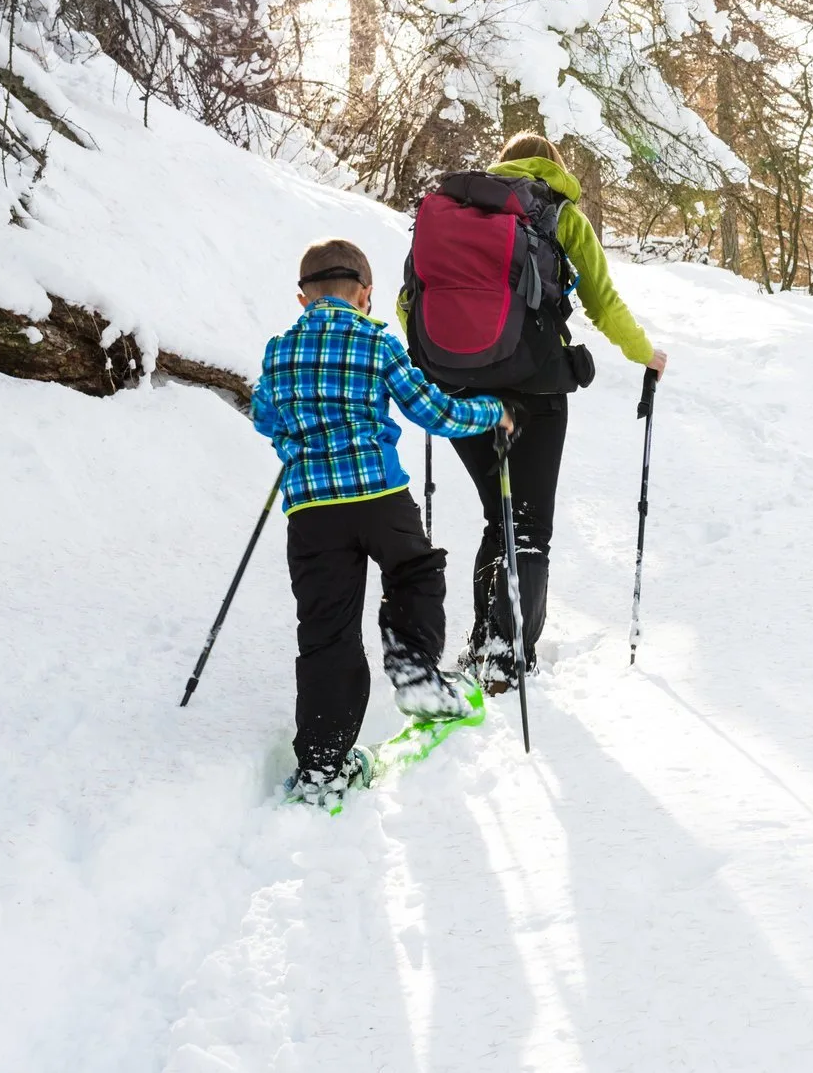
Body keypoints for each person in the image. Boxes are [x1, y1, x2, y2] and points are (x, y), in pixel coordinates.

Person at [251, 237, 513, 806]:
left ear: (303, 299)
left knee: (326, 629)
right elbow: (434, 412)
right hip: (378, 493)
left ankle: (323, 766)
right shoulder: (376, 341)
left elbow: (264, 415)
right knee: (415, 569)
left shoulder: (278, 350)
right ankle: (416, 673)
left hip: (312, 510)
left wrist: (296, 434)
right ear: (366, 294)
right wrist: (492, 411)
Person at [437, 131, 667, 692]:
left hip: (461, 388)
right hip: (536, 388)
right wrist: (646, 354)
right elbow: (603, 303)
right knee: (529, 524)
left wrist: (452, 359)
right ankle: (509, 657)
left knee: (499, 515)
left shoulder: (456, 211)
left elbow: (409, 297)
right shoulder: (562, 217)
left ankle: (483, 644)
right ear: (553, 167)